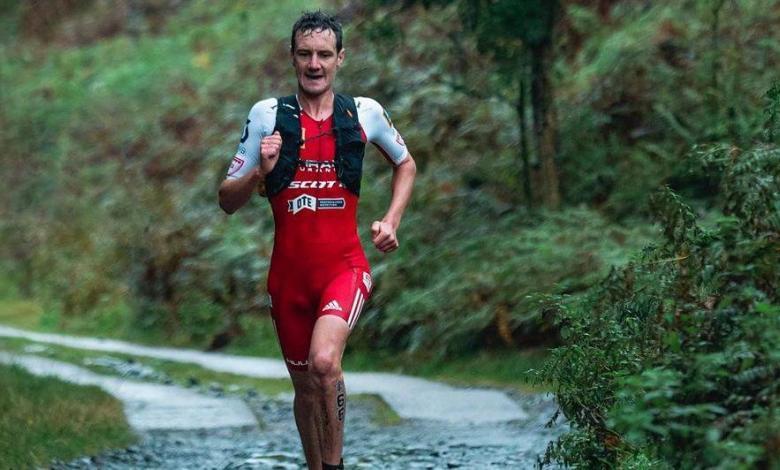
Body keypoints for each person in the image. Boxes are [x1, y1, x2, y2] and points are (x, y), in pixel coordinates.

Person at [217, 11, 416, 470]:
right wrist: (259, 174)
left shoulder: (364, 112)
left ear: (340, 59)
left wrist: (391, 220)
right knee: (307, 386)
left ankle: (334, 464)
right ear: (292, 58)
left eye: (324, 54)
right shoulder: (266, 116)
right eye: (305, 54)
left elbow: (406, 164)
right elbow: (227, 200)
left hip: (344, 268)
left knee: (325, 363)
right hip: (288, 278)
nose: (314, 64)